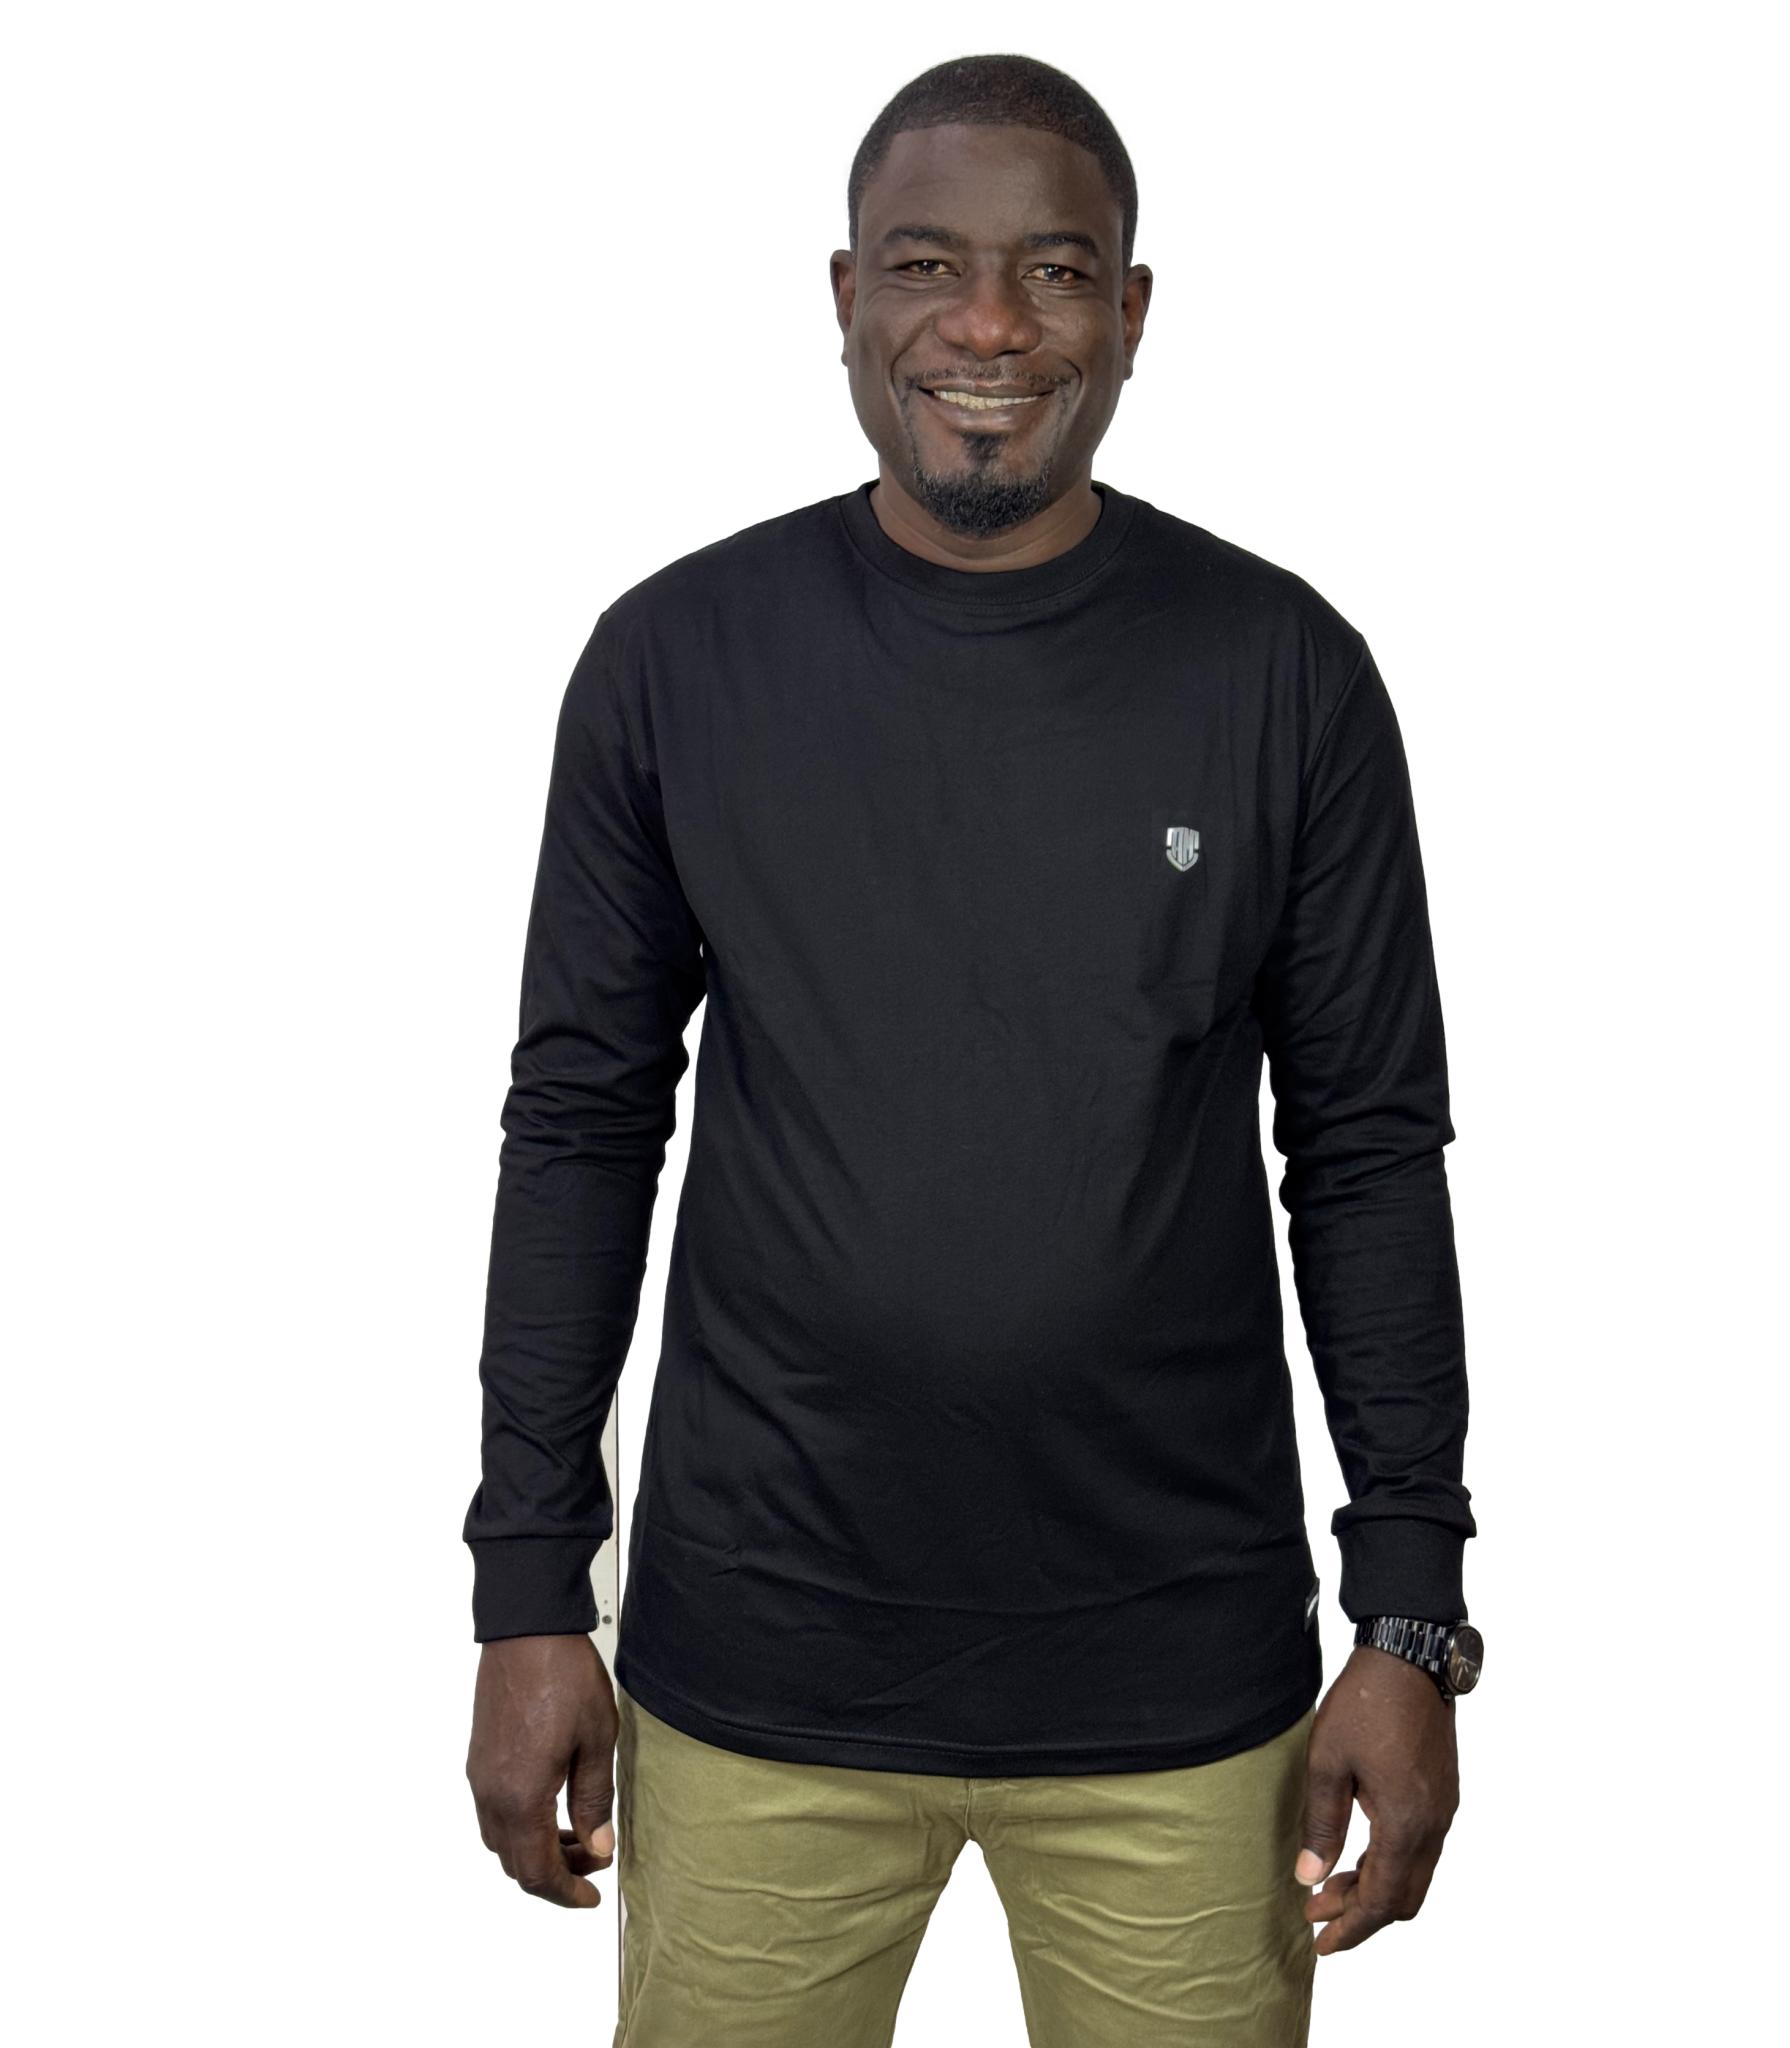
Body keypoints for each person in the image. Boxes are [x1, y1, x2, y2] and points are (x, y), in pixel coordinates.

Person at [463, 51, 1482, 2048]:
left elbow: (1366, 1149)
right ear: (846, 295)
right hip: (757, 1667)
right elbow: (579, 1127)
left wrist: (1410, 1615)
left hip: (1178, 1688)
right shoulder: (676, 660)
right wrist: (526, 1589)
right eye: (929, 264)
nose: (992, 327)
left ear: (1134, 309)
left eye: (1057, 270)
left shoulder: (1282, 672)